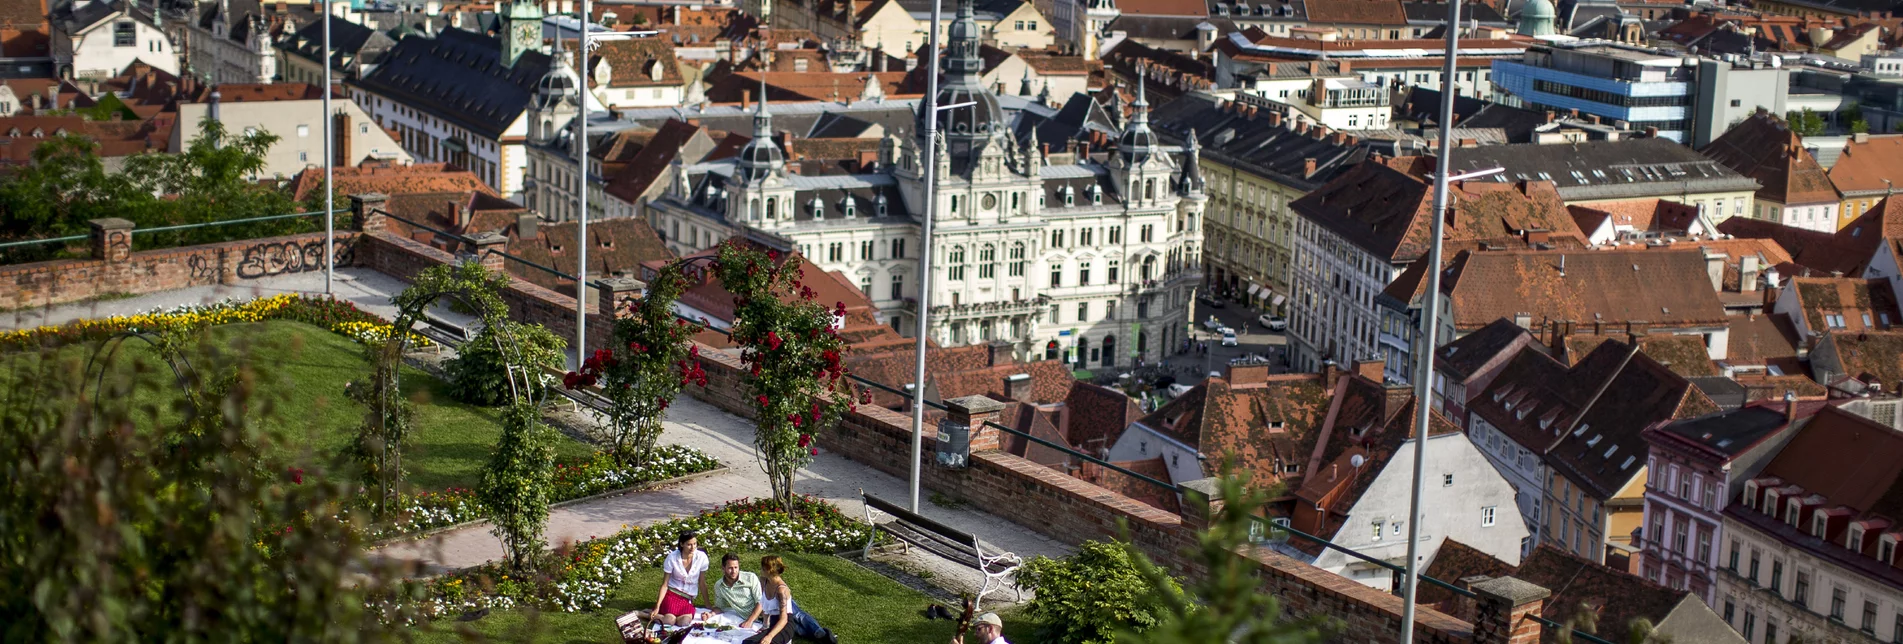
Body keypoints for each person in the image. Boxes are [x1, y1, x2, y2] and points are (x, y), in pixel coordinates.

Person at [745, 555, 838, 644]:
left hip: (784, 625)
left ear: (769, 570)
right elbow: (764, 605)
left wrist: (769, 636)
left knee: (797, 617)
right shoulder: (764, 581)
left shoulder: (781, 590)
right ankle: (820, 636)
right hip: (773, 623)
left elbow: (784, 619)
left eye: (762, 568)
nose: (760, 570)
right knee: (748, 642)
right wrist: (765, 626)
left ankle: (822, 634)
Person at [651, 530, 708, 627]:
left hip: (687, 598)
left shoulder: (702, 557)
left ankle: (662, 615)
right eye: (689, 544)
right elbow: (665, 585)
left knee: (684, 622)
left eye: (695, 544)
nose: (693, 547)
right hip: (672, 594)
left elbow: (702, 582)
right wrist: (657, 606)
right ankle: (646, 615)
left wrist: (708, 604)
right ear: (682, 544)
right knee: (670, 621)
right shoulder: (672, 558)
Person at [712, 553, 765, 629]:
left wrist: (749, 621)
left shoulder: (750, 578)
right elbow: (720, 607)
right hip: (742, 619)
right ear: (723, 568)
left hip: (762, 618)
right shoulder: (719, 585)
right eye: (730, 568)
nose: (734, 571)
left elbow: (760, 602)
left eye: (736, 567)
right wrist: (710, 614)